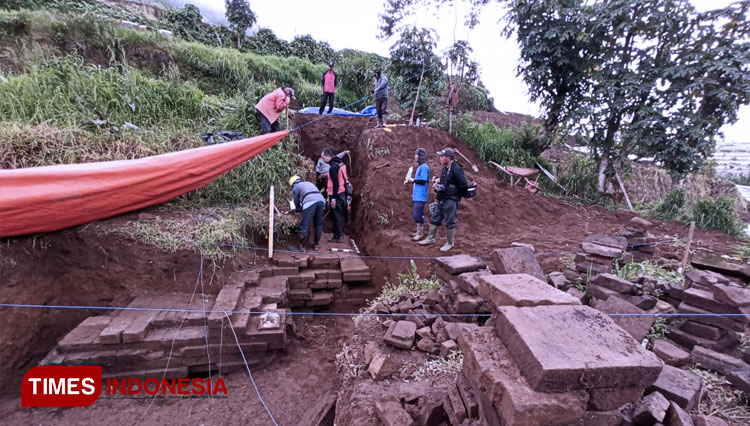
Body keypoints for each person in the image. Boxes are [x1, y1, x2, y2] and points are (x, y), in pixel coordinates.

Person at [418, 148, 468, 251]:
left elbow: (463, 185)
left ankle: (449, 242)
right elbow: (443, 183)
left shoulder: (456, 169)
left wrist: (455, 195)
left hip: (451, 200)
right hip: (442, 198)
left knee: (450, 221)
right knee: (435, 218)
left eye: (442, 156)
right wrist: (438, 197)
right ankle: (431, 238)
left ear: (448, 158)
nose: (440, 158)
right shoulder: (445, 169)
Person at [288, 176, 326, 252]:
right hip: (321, 201)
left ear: (292, 184)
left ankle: (301, 247)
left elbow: (296, 202)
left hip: (309, 201)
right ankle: (316, 245)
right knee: (318, 224)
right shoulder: (308, 183)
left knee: (305, 226)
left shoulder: (296, 187)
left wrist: (297, 209)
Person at [321, 147, 348, 243]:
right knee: (339, 215)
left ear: (328, 156)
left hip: (336, 194)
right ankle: (339, 235)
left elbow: (336, 183)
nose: (323, 160)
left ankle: (337, 237)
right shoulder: (339, 163)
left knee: (336, 215)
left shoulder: (333, 168)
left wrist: (333, 199)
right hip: (342, 192)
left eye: (323, 158)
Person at [404, 148, 430, 241]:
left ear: (421, 156)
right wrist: (411, 181)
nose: (415, 156)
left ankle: (420, 233)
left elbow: (423, 181)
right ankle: (418, 231)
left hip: (421, 195)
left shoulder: (424, 167)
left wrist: (412, 180)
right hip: (417, 194)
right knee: (417, 214)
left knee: (417, 214)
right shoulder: (420, 167)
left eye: (416, 155)